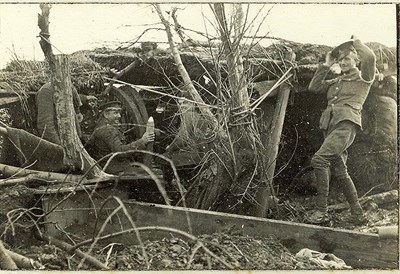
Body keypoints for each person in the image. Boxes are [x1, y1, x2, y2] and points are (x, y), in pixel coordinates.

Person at [306, 36, 376, 224]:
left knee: (319, 160)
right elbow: (314, 87)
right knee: (340, 171)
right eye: (340, 59)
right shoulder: (337, 81)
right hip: (330, 126)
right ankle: (358, 213)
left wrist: (357, 43)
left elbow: (369, 58)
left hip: (346, 125)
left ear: (356, 60)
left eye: (348, 58)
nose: (343, 62)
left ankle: (321, 212)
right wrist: (326, 64)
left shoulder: (364, 78)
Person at [91, 101, 155, 175]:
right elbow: (120, 152)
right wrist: (142, 141)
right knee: (154, 173)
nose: (119, 116)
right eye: (115, 113)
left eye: (119, 113)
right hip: (115, 169)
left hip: (113, 166)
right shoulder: (108, 130)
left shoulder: (103, 127)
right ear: (106, 114)